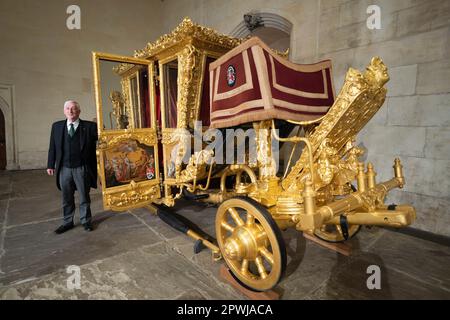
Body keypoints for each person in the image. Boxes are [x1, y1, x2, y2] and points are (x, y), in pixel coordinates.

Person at [47, 100, 98, 234]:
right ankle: (67, 222)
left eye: (74, 109)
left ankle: (86, 221)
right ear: (64, 111)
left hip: (81, 168)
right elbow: (52, 147)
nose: (70, 111)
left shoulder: (90, 127)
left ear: (79, 112)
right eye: (68, 108)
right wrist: (50, 164)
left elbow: (104, 139)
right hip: (64, 168)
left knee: (84, 197)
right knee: (66, 197)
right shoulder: (57, 126)